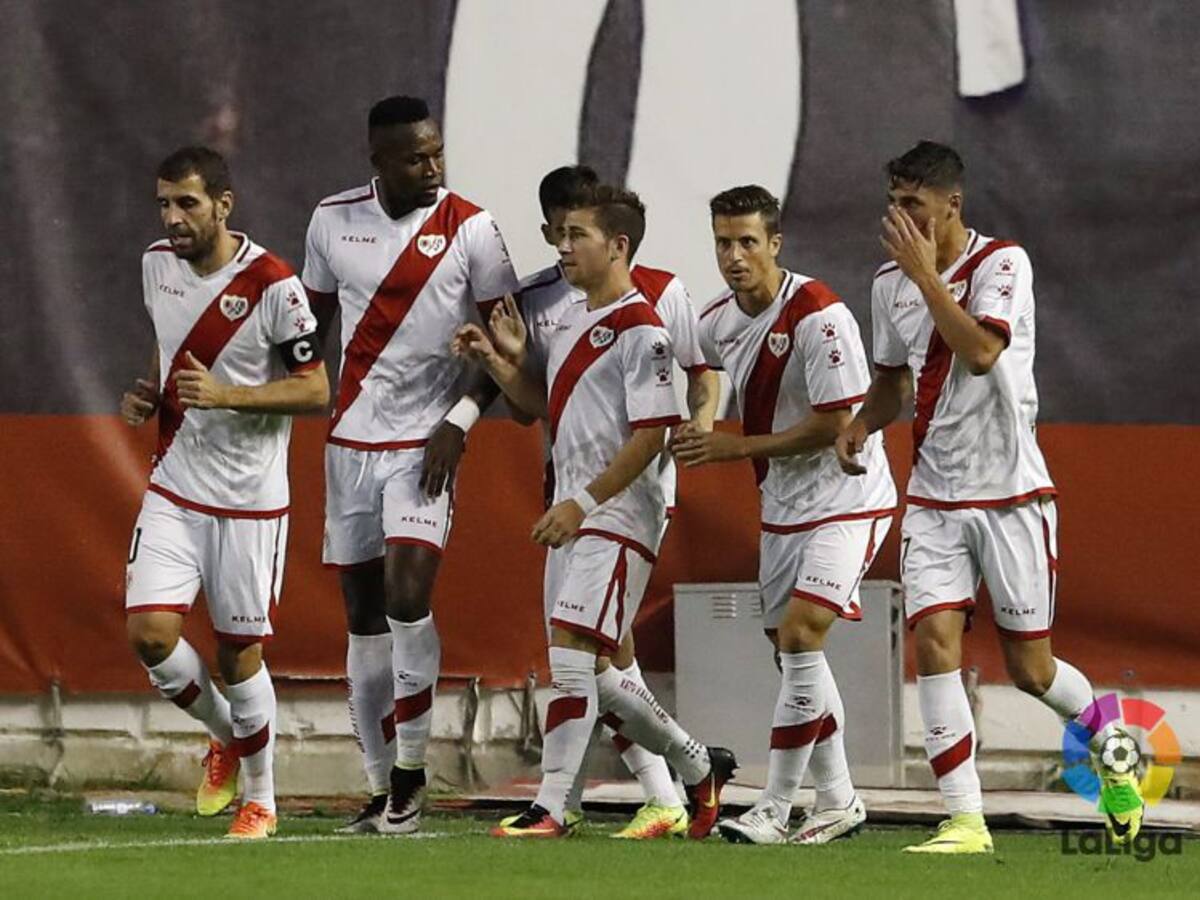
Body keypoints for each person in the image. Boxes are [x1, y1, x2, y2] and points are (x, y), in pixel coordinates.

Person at [835, 141, 1141, 853]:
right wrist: (860, 424)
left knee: (1032, 671)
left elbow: (977, 353)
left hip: (1011, 493)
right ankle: (966, 820)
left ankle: (1113, 745)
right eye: (893, 202)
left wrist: (926, 278)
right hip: (934, 496)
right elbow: (893, 380)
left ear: (952, 204)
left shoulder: (1004, 263)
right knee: (933, 643)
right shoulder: (888, 284)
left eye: (914, 203)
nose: (900, 217)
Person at [452, 184, 736, 839]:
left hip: (617, 515)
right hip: (574, 510)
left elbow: (652, 434)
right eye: (560, 234)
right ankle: (699, 766)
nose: (563, 246)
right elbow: (547, 408)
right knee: (599, 671)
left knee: (574, 658)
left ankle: (552, 807)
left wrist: (583, 504)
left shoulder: (645, 331)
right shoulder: (577, 320)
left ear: (618, 245)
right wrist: (495, 360)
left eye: (577, 234)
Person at [301, 95, 519, 834]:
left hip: (425, 446)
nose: (432, 168)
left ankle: (411, 774)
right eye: (415, 158)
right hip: (351, 446)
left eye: (437, 153)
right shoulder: (332, 220)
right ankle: (378, 788)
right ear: (379, 162)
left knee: (406, 595)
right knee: (363, 621)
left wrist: (460, 420)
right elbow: (309, 331)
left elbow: (510, 346)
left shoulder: (473, 229)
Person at [673, 185, 896, 844]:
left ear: (775, 243)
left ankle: (773, 806)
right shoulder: (718, 317)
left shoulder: (819, 315)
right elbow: (703, 367)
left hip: (847, 499)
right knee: (791, 655)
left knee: (800, 636)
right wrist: (703, 416)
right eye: (723, 243)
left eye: (748, 242)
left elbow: (835, 423)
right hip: (782, 505)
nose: (734, 256)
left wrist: (733, 446)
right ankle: (839, 799)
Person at [121, 146, 329, 840]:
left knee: (239, 656)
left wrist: (227, 395)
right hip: (175, 485)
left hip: (248, 501)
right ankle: (229, 739)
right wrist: (151, 392)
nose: (172, 218)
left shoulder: (275, 285)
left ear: (223, 205)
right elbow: (167, 343)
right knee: (150, 635)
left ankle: (261, 799)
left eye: (187, 203)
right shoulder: (156, 264)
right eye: (164, 204)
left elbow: (316, 390)